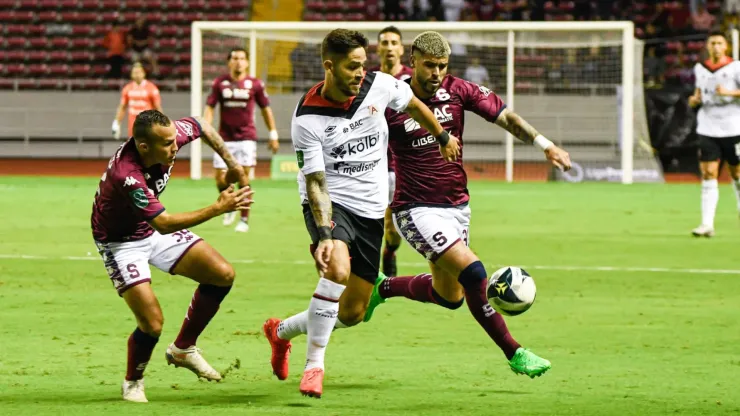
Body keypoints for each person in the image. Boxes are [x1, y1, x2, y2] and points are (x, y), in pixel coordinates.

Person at [264, 31, 572, 387]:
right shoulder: (354, 107)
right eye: (429, 65)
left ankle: (359, 298)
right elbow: (329, 172)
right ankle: (514, 351)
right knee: (472, 274)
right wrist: (328, 230)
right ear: (414, 61)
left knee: (444, 297)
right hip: (408, 208)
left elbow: (503, 116)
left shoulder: (449, 91)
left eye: (442, 66)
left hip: (451, 206)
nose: (436, 73)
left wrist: (543, 144)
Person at [262, 28, 460, 399]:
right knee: (336, 269)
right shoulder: (307, 119)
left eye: (362, 65)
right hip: (332, 204)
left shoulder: (380, 85)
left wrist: (442, 136)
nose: (359, 73)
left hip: (371, 208)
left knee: (353, 312)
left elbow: (414, 103)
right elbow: (317, 184)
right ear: (329, 67)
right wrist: (323, 235)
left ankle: (280, 332)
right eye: (352, 67)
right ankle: (314, 366)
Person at [91, 110, 253, 403]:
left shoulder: (168, 135)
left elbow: (201, 124)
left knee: (222, 275)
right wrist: (218, 208)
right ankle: (133, 381)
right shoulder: (126, 174)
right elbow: (163, 224)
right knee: (152, 323)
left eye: (174, 140)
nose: (175, 146)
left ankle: (183, 348)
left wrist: (233, 165)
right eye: (166, 144)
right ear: (144, 147)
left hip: (149, 228)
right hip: (120, 242)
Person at [204, 48, 279, 232]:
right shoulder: (219, 83)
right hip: (223, 139)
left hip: (246, 138)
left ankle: (244, 220)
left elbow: (265, 109)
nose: (238, 62)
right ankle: (229, 203)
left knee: (242, 176)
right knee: (220, 179)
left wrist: (273, 133)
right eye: (235, 58)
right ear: (229, 62)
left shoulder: (255, 84)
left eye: (242, 58)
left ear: (247, 62)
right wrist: (205, 128)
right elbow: (210, 107)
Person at [368, 26, 414, 277]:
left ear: (401, 48)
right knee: (370, 217)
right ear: (378, 48)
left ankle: (390, 251)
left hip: (401, 162)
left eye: (393, 42)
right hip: (372, 160)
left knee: (392, 224)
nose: (388, 47)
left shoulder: (412, 79)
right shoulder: (368, 80)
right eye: (384, 42)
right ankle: (368, 271)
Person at [689, 31, 740, 237]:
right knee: (709, 173)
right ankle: (706, 224)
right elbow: (697, 94)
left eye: (719, 43)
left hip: (733, 127)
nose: (716, 47)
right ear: (707, 47)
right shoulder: (700, 68)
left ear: (726, 46)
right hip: (708, 126)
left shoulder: (736, 67)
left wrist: (728, 93)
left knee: (736, 174)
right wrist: (694, 100)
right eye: (712, 43)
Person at [112, 63, 162, 140]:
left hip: (147, 124)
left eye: (139, 72)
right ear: (131, 74)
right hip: (133, 125)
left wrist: (161, 124)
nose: (137, 75)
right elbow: (122, 107)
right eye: (135, 73)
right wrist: (116, 122)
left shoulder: (152, 88)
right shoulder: (127, 88)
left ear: (143, 73)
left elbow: (157, 107)